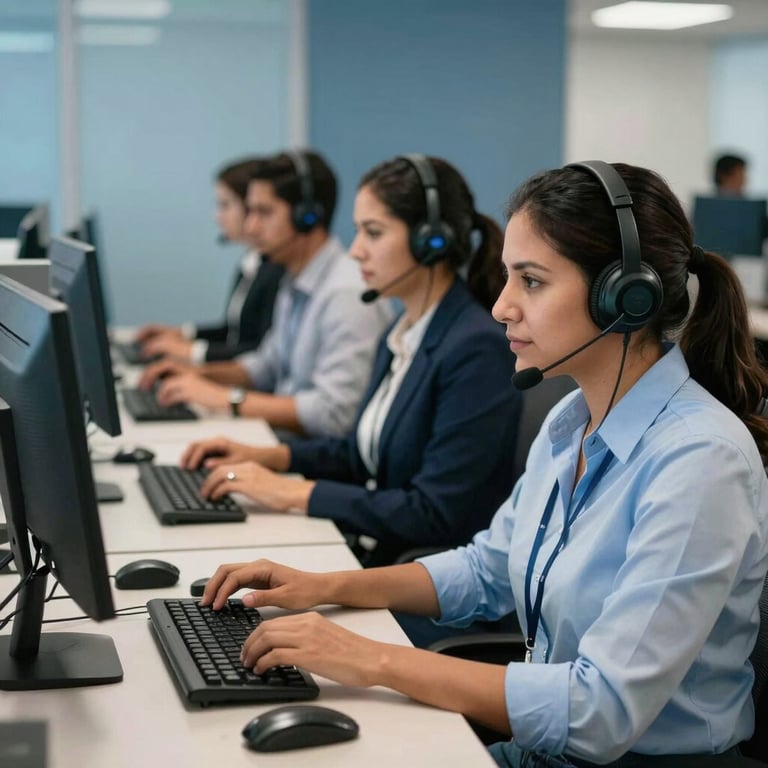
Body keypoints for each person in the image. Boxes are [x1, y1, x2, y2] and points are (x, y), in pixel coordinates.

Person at [200, 161, 768, 766]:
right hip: (545, 751)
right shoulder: (570, 419)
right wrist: (323, 587)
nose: (500, 307)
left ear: (625, 297)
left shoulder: (699, 461)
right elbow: (487, 568)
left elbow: (601, 711)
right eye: (507, 278)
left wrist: (373, 659)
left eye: (531, 281)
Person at [180, 155, 522, 567]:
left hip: (422, 576)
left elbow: (433, 513)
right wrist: (266, 457)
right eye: (358, 231)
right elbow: (360, 455)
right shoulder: (404, 333)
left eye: (373, 233)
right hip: (378, 549)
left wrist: (293, 492)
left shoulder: (474, 349)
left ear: (431, 241)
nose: (356, 251)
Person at [139, 150, 392, 438]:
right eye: (250, 211)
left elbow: (334, 416)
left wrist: (226, 400)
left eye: (264, 212)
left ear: (307, 217)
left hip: (314, 460)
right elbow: (266, 365)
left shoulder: (347, 296)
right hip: (284, 438)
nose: (250, 226)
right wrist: (199, 376)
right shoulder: (294, 277)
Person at [135, 157, 284, 362]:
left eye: (225, 205)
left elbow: (259, 350)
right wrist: (183, 334)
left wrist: (190, 351)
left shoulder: (276, 270)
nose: (217, 217)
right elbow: (233, 331)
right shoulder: (251, 262)